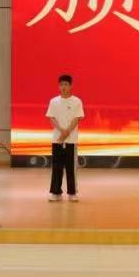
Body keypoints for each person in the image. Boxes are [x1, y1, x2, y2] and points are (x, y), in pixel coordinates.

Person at [47, 74, 84, 202]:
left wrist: (67, 132)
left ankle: (72, 193)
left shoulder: (77, 101)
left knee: (71, 167)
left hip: (71, 140)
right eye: (62, 84)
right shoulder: (54, 101)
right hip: (57, 139)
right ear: (59, 86)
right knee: (56, 166)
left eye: (66, 84)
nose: (64, 87)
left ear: (71, 86)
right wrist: (61, 131)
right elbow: (52, 118)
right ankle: (56, 192)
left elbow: (77, 118)